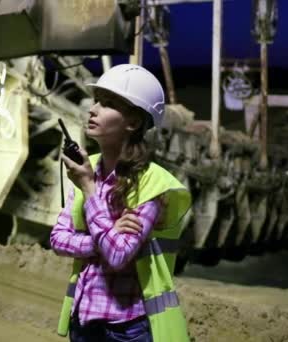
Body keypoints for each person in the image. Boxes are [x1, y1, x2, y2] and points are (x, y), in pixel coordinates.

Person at [50, 64, 192, 342]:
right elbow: (57, 239)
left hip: (127, 329)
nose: (93, 110)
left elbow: (117, 256)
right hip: (84, 320)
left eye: (108, 104)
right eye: (97, 101)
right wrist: (106, 237)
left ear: (133, 122)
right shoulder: (88, 167)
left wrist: (90, 189)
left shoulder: (152, 183)